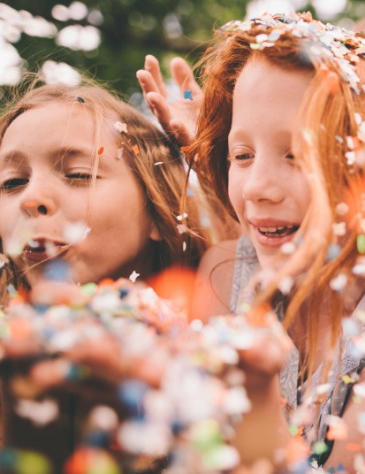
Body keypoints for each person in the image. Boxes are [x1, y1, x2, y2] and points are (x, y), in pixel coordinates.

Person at [184, 12, 365, 472]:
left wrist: (254, 390)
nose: (258, 187)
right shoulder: (223, 271)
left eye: (298, 154)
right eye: (242, 155)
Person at [0, 80, 219, 468]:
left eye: (79, 174)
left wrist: (216, 168)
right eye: (12, 182)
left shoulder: (219, 331)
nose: (31, 198)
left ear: (156, 205)